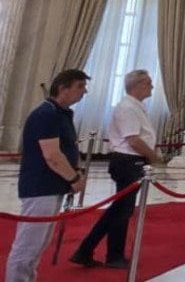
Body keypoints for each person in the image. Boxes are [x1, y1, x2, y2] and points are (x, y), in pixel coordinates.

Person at [71, 70, 162, 269]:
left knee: (120, 210)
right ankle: (103, 252)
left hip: (132, 161)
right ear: (137, 85)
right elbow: (133, 139)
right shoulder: (128, 108)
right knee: (121, 211)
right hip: (128, 161)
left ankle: (97, 251)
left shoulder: (137, 107)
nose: (151, 87)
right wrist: (153, 156)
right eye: (148, 83)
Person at [6, 69, 90, 281]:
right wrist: (74, 179)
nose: (84, 91)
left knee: (39, 244)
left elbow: (67, 147)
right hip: (41, 187)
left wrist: (76, 171)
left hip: (52, 186)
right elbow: (52, 155)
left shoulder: (61, 113)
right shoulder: (46, 114)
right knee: (28, 245)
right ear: (63, 88)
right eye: (80, 86)